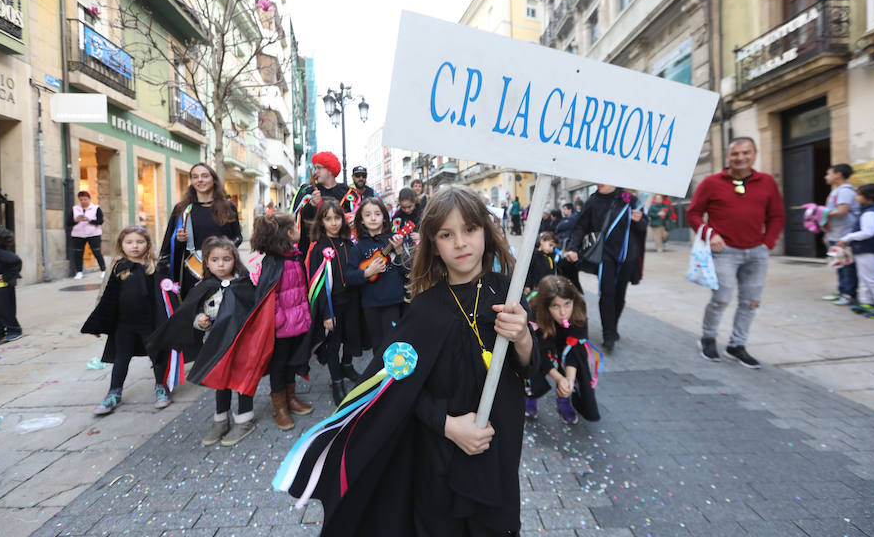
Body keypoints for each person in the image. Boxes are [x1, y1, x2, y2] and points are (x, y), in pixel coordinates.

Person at [273, 184, 538, 536]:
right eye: (447, 234)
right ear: (433, 244)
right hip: (440, 461)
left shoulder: (508, 294)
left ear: (486, 233)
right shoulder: (425, 309)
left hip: (498, 449)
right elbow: (396, 388)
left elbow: (530, 369)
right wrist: (448, 426)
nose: (460, 243)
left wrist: (522, 337)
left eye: (470, 230)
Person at [148, 236, 259, 446]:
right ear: (206, 262)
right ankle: (221, 420)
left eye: (226, 259)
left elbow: (253, 312)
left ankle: (245, 419)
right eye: (215, 260)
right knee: (220, 381)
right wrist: (200, 321)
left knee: (242, 379)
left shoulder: (244, 284)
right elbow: (193, 312)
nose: (221, 264)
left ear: (235, 259)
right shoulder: (204, 286)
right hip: (215, 343)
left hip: (241, 343)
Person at [687, 137, 785, 369]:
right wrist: (711, 235)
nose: (740, 157)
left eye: (746, 153)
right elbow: (693, 214)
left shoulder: (767, 182)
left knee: (750, 302)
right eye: (735, 154)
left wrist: (768, 242)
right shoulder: (711, 182)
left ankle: (736, 345)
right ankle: (708, 337)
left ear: (755, 154)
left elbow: (777, 215)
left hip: (756, 253)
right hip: (725, 252)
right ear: (728, 156)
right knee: (721, 298)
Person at [82, 226, 170, 415]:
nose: (135, 246)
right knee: (121, 358)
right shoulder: (118, 267)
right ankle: (114, 392)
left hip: (150, 322)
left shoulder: (155, 266)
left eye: (140, 242)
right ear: (121, 245)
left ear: (148, 244)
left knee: (157, 355)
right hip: (124, 324)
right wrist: (98, 321)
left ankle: (161, 387)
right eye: (129, 242)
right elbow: (105, 295)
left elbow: (165, 295)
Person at [249, 214, 314, 428]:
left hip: (296, 323)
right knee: (278, 365)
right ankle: (280, 407)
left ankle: (291, 398)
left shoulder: (293, 257)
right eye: (294, 227)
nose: (298, 229)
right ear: (288, 233)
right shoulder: (274, 262)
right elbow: (269, 296)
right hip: (282, 327)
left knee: (291, 362)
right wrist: (279, 321)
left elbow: (300, 290)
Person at [564, 185, 647, 351]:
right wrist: (573, 247)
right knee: (607, 293)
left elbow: (643, 226)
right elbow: (580, 227)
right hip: (605, 256)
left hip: (627, 256)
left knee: (620, 295)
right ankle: (608, 333)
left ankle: (613, 326)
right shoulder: (593, 201)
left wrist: (640, 220)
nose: (600, 183)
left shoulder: (629, 199)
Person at [307, 199, 363, 405]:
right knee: (333, 344)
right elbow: (317, 285)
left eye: (337, 218)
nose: (333, 223)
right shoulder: (318, 248)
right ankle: (336, 380)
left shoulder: (349, 244)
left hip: (352, 301)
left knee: (351, 337)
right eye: (328, 218)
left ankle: (347, 365)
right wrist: (325, 313)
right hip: (333, 305)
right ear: (321, 222)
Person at [158, 163, 242, 299]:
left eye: (205, 176)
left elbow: (238, 237)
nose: (200, 180)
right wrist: (178, 240)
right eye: (195, 177)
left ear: (214, 179)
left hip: (222, 269)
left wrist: (224, 251)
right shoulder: (182, 209)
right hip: (192, 272)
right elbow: (169, 244)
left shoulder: (228, 207)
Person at [525, 275, 601, 424]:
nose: (563, 312)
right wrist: (558, 378)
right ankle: (531, 395)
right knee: (530, 359)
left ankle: (564, 399)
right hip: (543, 333)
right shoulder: (534, 313)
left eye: (567, 304)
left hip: (565, 338)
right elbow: (540, 352)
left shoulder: (578, 310)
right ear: (546, 306)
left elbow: (575, 349)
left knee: (577, 361)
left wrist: (568, 380)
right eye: (555, 306)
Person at [346, 198, 407, 355]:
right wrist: (367, 273)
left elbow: (407, 271)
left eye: (377, 214)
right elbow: (349, 276)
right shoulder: (358, 248)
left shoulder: (394, 240)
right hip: (371, 304)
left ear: (385, 218)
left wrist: (399, 251)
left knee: (394, 346)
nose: (373, 218)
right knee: (378, 347)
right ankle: (380, 379)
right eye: (368, 215)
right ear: (362, 221)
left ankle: (396, 379)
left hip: (393, 302)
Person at [838, 184, 874, 318]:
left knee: (873, 279)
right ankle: (867, 302)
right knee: (864, 278)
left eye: (859, 194)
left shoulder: (871, 212)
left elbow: (868, 232)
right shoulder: (869, 210)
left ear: (869, 197)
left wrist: (847, 238)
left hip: (870, 250)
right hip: (865, 250)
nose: (856, 197)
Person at [290, 151, 349, 253]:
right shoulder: (310, 192)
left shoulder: (346, 192)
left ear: (330, 169)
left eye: (319, 168)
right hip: (316, 247)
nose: (315, 172)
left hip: (341, 246)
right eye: (314, 168)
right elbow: (301, 220)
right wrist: (311, 204)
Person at [822, 164, 859, 305]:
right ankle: (842, 291)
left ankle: (849, 295)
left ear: (838, 174)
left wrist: (820, 212)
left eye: (828, 173)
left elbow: (842, 211)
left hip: (844, 235)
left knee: (847, 266)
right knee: (839, 264)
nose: (826, 177)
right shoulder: (836, 191)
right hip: (835, 233)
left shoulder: (845, 191)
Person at [0, 226, 22, 344]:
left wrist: (6, 276)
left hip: (1, 288)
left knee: (5, 311)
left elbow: (16, 262)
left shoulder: (1, 253)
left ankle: (14, 330)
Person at [69, 190, 106, 279]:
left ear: (89, 199)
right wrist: (76, 221)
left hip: (93, 234)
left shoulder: (96, 208)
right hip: (78, 234)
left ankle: (103, 270)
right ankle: (79, 272)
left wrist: (89, 220)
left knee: (96, 252)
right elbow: (68, 223)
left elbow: (100, 221)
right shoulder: (75, 209)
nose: (83, 201)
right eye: (81, 200)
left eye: (85, 199)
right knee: (78, 253)